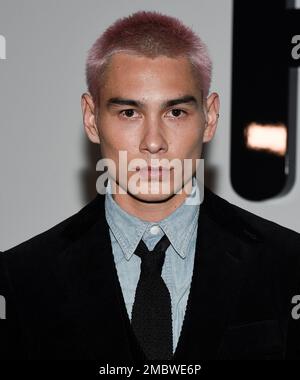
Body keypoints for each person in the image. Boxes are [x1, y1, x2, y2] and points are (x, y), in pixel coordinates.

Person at [1, 10, 300, 361]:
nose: (153, 142)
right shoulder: (20, 280)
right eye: (129, 113)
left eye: (175, 112)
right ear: (91, 119)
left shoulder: (288, 265)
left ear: (210, 118)